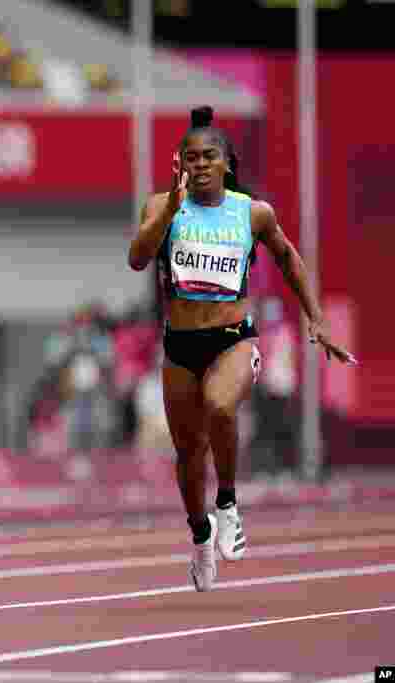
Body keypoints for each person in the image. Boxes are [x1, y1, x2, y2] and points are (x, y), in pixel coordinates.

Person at [128, 106, 356, 592]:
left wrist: (316, 317)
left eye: (210, 156)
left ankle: (228, 501)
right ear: (181, 164)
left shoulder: (252, 212)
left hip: (233, 338)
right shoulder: (160, 206)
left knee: (220, 407)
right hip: (181, 344)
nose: (200, 164)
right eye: (191, 157)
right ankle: (200, 534)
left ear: (226, 163)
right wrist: (169, 209)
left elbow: (289, 257)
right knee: (188, 456)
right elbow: (136, 258)